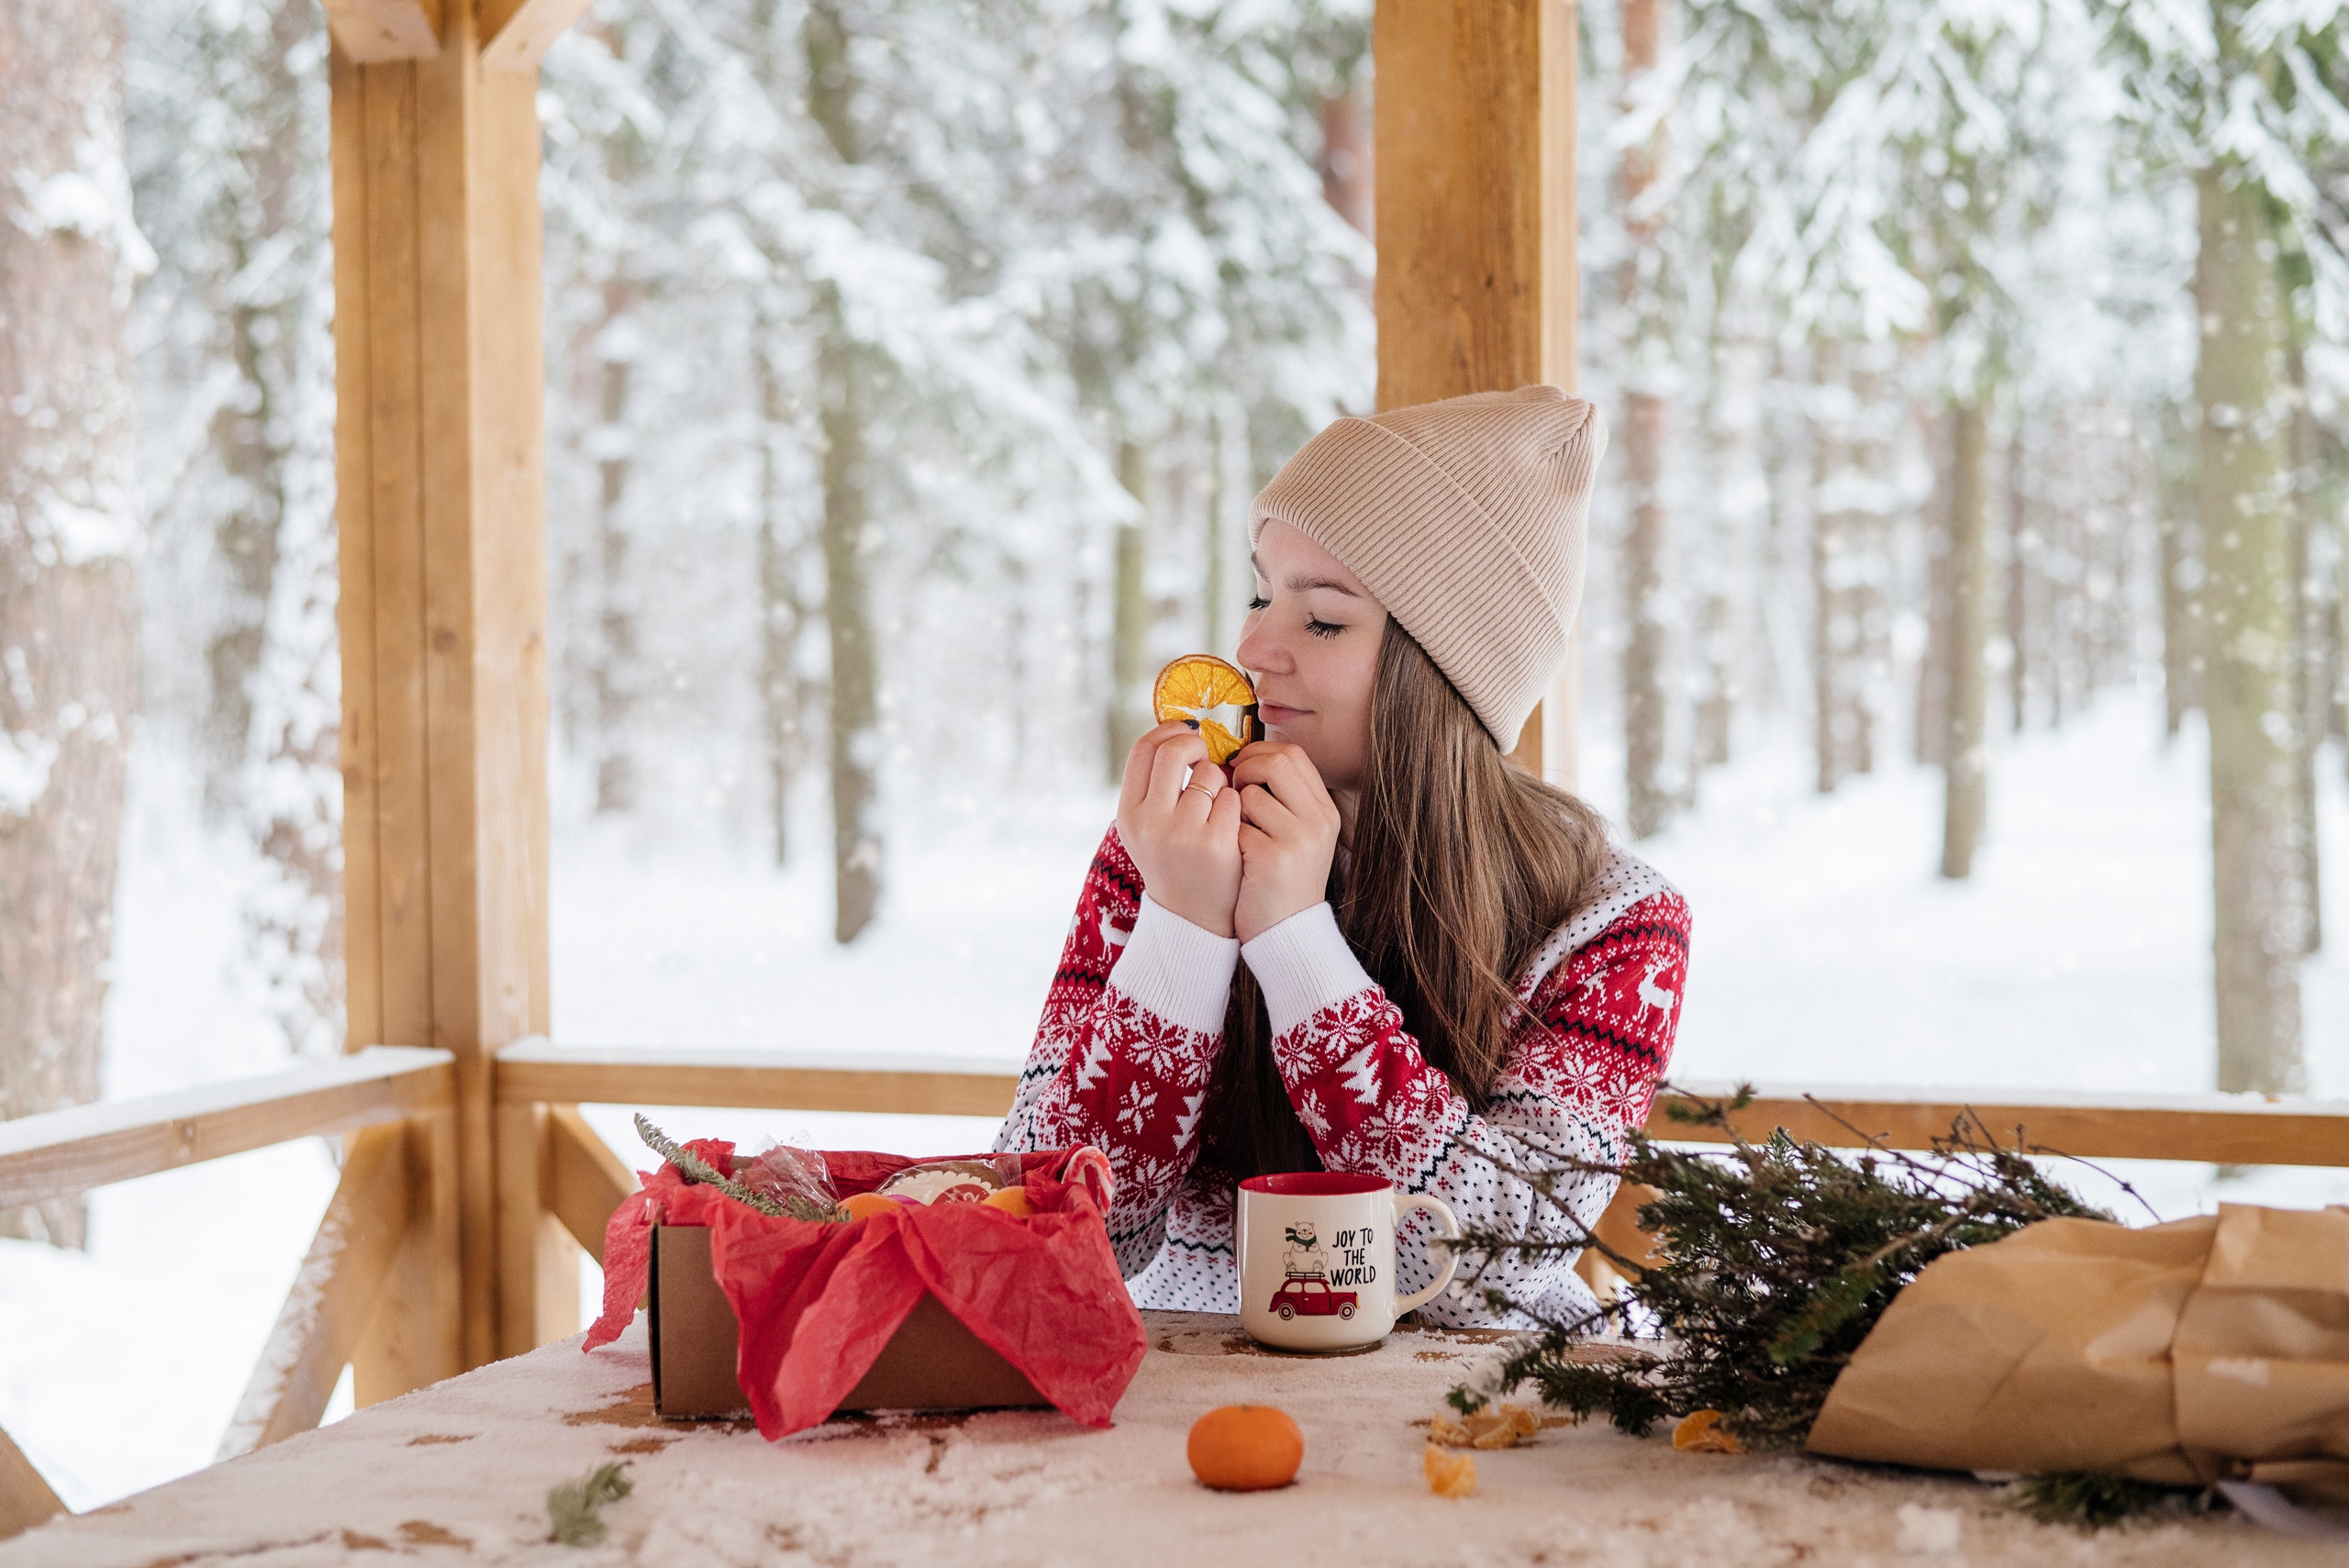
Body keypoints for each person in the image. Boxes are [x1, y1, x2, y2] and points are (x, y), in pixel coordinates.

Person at [996, 385, 1691, 1327]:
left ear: (1443, 671)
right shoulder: (1161, 852)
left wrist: (1295, 943)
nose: (1251, 645)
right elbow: (1046, 1229)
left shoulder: (1611, 921)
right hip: (1183, 1387)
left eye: (1321, 619)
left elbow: (1497, 1258)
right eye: (1259, 593)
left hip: (1483, 1410)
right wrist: (1182, 928)